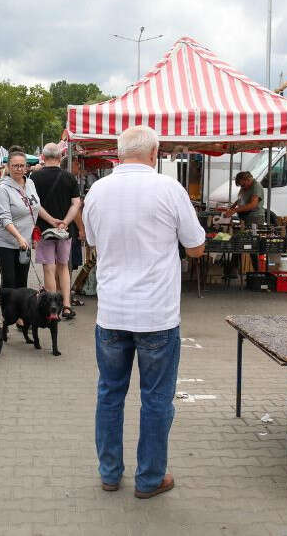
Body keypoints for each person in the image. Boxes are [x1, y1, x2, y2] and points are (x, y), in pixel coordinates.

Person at [83, 125, 205, 499]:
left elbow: (91, 241)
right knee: (155, 398)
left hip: (113, 312)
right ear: (155, 153)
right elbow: (196, 247)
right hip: (156, 314)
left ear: (118, 154)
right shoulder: (169, 189)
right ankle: (150, 478)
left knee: (109, 394)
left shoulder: (97, 192)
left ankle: (109, 472)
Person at [0, 149, 60, 290]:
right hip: (5, 242)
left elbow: (36, 206)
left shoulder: (30, 183)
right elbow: (5, 219)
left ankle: (21, 312)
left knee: (22, 281)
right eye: (15, 166)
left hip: (25, 241)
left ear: (26, 167)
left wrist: (52, 220)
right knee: (9, 282)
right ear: (8, 167)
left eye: (22, 166)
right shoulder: (2, 189)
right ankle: (9, 312)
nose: (19, 169)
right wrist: (19, 237)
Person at [31, 143, 81, 320]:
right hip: (65, 232)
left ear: (43, 158)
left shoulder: (34, 178)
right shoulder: (69, 178)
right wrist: (65, 222)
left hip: (44, 230)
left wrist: (51, 221)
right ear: (60, 158)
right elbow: (76, 203)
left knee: (49, 268)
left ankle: (52, 310)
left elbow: (34, 205)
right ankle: (66, 306)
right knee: (63, 268)